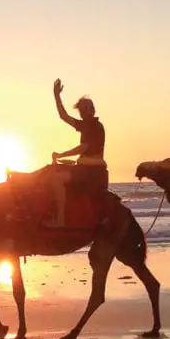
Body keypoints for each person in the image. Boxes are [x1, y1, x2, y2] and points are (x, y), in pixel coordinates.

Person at [45, 78, 107, 227]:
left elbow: (83, 148)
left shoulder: (95, 126)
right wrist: (57, 96)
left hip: (91, 171)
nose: (84, 111)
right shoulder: (84, 125)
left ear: (92, 109)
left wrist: (61, 155)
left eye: (86, 108)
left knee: (57, 179)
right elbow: (64, 117)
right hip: (84, 168)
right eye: (81, 109)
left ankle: (60, 219)